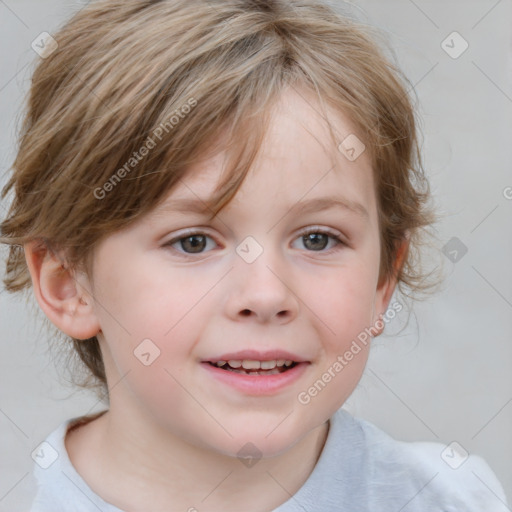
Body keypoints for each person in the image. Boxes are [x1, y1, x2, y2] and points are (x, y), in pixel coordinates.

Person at [0, 0, 508, 510]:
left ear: (383, 281)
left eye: (317, 239)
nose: (266, 295)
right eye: (193, 242)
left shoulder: (456, 499)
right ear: (68, 283)